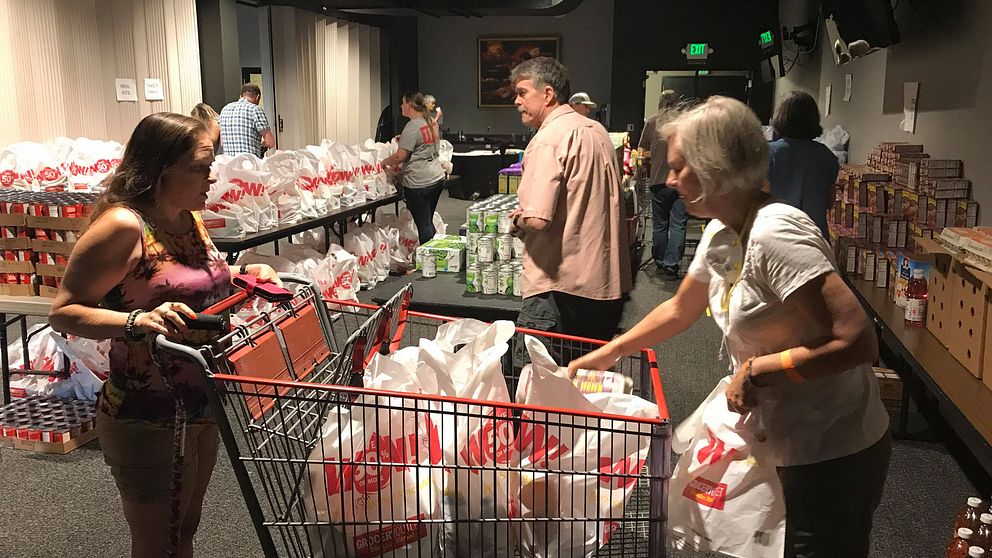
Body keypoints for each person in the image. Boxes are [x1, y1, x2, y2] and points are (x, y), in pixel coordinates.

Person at [569, 96, 890, 558]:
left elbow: (858, 342)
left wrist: (760, 370)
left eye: (681, 167)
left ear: (715, 168)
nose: (671, 179)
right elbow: (681, 309)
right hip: (775, 433)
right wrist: (610, 351)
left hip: (827, 446)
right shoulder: (725, 229)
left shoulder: (775, 233)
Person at [48, 113, 280, 558]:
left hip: (201, 403)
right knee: (158, 542)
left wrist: (243, 272)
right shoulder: (124, 225)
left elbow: (188, 279)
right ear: (159, 170)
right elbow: (65, 310)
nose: (211, 177)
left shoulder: (186, 218)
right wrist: (134, 322)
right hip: (145, 411)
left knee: (185, 529)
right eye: (200, 167)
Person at [509, 57, 632, 346]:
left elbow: (538, 219)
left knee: (537, 383)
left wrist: (516, 220)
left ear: (548, 94)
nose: (516, 101)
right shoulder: (597, 131)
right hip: (601, 283)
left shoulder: (548, 140)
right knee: (584, 378)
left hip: (558, 288)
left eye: (523, 92)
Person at [768, 91, 840, 239]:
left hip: (776, 237)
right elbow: (829, 202)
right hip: (816, 239)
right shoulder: (827, 156)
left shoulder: (768, 154)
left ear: (780, 117)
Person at [381, 91, 446, 244]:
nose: (401, 106)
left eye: (403, 103)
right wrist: (403, 140)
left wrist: (383, 162)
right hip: (436, 177)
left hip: (419, 182)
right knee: (428, 221)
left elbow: (399, 157)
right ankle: (434, 254)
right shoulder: (429, 121)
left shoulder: (412, 126)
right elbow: (423, 144)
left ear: (410, 105)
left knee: (423, 226)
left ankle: (428, 262)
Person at [638, 89, 685, 279]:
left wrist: (654, 154)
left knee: (659, 224)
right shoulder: (685, 123)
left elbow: (642, 150)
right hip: (681, 181)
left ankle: (659, 261)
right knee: (678, 224)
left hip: (658, 180)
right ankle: (671, 264)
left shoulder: (652, 121)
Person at [217, 83, 275, 157]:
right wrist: (263, 146)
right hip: (249, 164)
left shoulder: (225, 109)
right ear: (257, 97)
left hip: (229, 164)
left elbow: (222, 142)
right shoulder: (255, 109)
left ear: (241, 96)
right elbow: (270, 142)